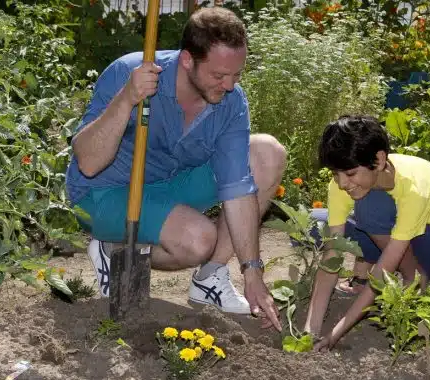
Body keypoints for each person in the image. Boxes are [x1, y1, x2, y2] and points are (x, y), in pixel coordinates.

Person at [65, 7, 283, 331]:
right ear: (187, 60)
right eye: (219, 75)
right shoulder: (130, 72)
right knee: (198, 239)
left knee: (266, 153)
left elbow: (238, 188)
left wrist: (252, 271)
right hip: (104, 194)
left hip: (167, 185)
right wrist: (127, 99)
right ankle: (113, 247)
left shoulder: (231, 102)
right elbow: (88, 162)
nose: (228, 85)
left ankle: (211, 279)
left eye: (236, 75)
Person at [303, 115, 430, 350]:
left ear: (378, 160)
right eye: (336, 174)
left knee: (370, 206)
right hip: (396, 241)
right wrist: (311, 329)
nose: (343, 183)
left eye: (350, 174)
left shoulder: (414, 187)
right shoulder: (343, 183)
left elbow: (382, 273)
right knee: (314, 223)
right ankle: (385, 270)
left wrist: (335, 334)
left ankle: (415, 279)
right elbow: (332, 253)